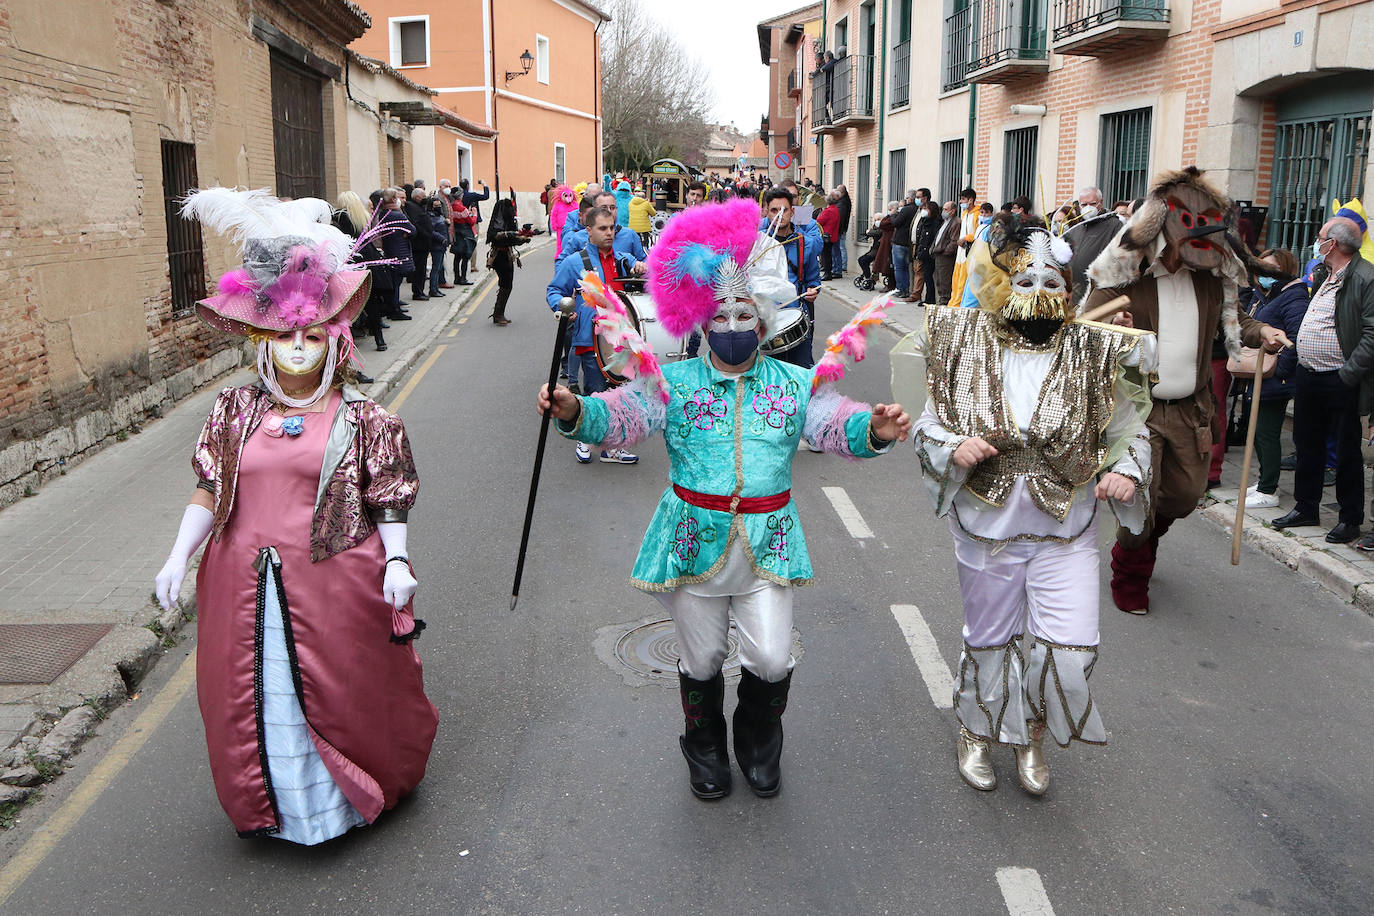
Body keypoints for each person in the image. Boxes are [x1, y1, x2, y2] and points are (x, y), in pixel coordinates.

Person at [538, 198, 911, 800]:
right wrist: (576, 410)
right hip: (692, 542)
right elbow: (626, 414)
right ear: (701, 321)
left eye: (746, 314)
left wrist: (874, 429)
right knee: (704, 657)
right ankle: (704, 744)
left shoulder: (793, 383)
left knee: (770, 659)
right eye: (722, 315)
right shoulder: (674, 383)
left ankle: (760, 741)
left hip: (769, 545)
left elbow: (828, 421)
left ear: (762, 322)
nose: (734, 325)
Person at [156, 188, 437, 843]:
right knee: (256, 697)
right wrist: (178, 555)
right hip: (239, 587)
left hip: (336, 583)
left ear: (334, 339)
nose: (300, 348)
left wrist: (396, 558)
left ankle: (343, 800)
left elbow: (387, 494)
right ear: (264, 343)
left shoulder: (366, 418)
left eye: (312, 335)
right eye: (285, 336)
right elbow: (209, 487)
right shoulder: (232, 412)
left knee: (341, 692)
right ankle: (271, 806)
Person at [914, 215, 1154, 796]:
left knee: (1069, 653)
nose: (1039, 295)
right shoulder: (962, 345)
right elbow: (928, 424)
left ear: (1068, 291)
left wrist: (1125, 469)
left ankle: (1033, 735)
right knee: (990, 640)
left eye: (1052, 284)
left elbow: (1133, 427)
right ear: (1001, 286)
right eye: (1025, 283)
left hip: (1065, 532)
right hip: (988, 529)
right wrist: (953, 446)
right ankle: (977, 731)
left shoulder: (1097, 352)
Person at [1084, 166, 1289, 614]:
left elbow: (1235, 323)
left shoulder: (1210, 280)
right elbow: (1082, 328)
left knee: (1182, 498)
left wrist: (1263, 332)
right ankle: (1130, 571)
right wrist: (1114, 330)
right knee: (1140, 500)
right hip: (1135, 412)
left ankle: (1142, 541)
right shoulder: (1127, 277)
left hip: (1191, 410)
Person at [1273, 217, 1374, 545]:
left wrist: (1348, 374)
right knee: (1307, 444)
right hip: (1309, 375)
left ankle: (1349, 519)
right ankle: (1306, 506)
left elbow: (1372, 333)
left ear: (1335, 244)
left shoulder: (1365, 277)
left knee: (1346, 451)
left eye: (1320, 237)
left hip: (1340, 378)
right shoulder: (1322, 273)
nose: (1316, 242)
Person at [545, 205, 643, 464]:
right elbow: (554, 290)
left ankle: (611, 447)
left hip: (622, 338)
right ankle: (584, 437)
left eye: (611, 227)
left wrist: (641, 268)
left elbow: (639, 268)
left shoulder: (623, 258)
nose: (609, 233)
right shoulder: (575, 261)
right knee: (595, 393)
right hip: (591, 339)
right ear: (588, 231)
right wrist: (563, 308)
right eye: (602, 228)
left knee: (619, 394)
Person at [1240, 248, 1307, 509]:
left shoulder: (1294, 298)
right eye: (1262, 268)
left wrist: (1278, 371)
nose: (1264, 274)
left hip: (1274, 377)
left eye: (1271, 269)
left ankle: (1269, 489)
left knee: (1267, 432)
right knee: (1256, 431)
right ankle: (1265, 480)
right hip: (1258, 373)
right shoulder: (1266, 295)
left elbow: (1296, 338)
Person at [761, 187, 823, 368]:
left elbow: (814, 281)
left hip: (796, 316)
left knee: (801, 370)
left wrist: (813, 291)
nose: (779, 215)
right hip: (766, 319)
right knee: (768, 375)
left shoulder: (806, 243)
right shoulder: (758, 244)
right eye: (774, 210)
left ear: (793, 212)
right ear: (767, 213)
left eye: (784, 210)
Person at [335, 191, 389, 354]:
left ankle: (349, 339)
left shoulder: (339, 217)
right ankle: (379, 339)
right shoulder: (364, 216)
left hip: (352, 261)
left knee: (349, 303)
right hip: (368, 259)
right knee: (371, 301)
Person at [1065, 186, 1125, 306]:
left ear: (1100, 203)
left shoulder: (1114, 225)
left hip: (1096, 291)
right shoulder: (1077, 228)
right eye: (1084, 204)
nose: (1088, 208)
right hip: (1073, 290)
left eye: (1092, 204)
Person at [486, 196, 531, 326]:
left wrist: (524, 238)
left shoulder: (508, 222)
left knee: (507, 284)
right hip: (499, 256)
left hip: (508, 255)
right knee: (506, 284)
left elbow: (513, 240)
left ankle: (498, 313)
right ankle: (498, 314)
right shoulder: (496, 224)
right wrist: (511, 234)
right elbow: (495, 236)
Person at [374, 188, 415, 317]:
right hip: (399, 251)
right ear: (393, 199)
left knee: (394, 282)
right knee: (396, 282)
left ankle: (394, 307)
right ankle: (395, 310)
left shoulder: (383, 214)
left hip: (390, 250)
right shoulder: (397, 214)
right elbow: (413, 231)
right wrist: (404, 234)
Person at [948, 188, 979, 305]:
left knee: (963, 280)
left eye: (963, 199)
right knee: (956, 279)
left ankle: (959, 304)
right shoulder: (964, 214)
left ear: (971, 200)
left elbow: (977, 232)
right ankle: (953, 302)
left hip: (969, 251)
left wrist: (966, 238)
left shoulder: (977, 214)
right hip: (960, 251)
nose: (961, 202)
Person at [403, 187, 433, 301]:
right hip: (419, 244)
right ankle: (417, 292)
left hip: (424, 244)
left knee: (422, 270)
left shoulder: (419, 207)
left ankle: (420, 291)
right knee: (419, 271)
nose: (425, 199)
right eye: (423, 197)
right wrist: (426, 234)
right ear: (417, 197)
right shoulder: (412, 207)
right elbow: (416, 225)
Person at [889, 190, 919, 298]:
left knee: (899, 268)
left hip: (900, 242)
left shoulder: (906, 209)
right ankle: (906, 289)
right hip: (910, 243)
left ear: (910, 198)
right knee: (906, 268)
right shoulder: (918, 210)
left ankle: (901, 289)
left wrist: (893, 215)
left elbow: (896, 223)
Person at [931, 201, 960, 305]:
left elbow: (954, 241)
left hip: (945, 256)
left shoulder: (956, 222)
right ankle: (942, 299)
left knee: (945, 279)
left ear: (953, 211)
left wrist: (946, 252)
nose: (943, 212)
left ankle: (945, 301)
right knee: (939, 278)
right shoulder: (945, 221)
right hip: (939, 254)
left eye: (946, 209)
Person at [460, 178, 491, 271]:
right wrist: (484, 184)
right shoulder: (472, 195)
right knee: (473, 243)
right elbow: (486, 196)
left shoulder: (457, 197)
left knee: (462, 243)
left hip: (461, 223)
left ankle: (460, 265)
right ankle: (473, 266)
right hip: (473, 222)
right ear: (468, 186)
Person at [914, 199, 941, 305]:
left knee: (929, 277)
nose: (923, 211)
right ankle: (928, 298)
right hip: (923, 253)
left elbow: (933, 239)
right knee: (926, 276)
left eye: (925, 209)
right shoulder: (925, 221)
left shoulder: (935, 222)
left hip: (929, 254)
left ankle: (930, 299)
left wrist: (928, 251)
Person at [425, 194, 451, 298]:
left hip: (442, 245)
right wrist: (442, 239)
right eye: (436, 205)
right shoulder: (430, 217)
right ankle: (433, 290)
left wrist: (447, 224)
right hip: (436, 245)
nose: (438, 207)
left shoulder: (440, 215)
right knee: (436, 268)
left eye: (439, 205)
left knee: (439, 267)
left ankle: (436, 289)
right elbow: (431, 231)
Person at [450, 194, 477, 286]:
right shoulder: (462, 208)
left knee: (457, 257)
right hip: (465, 234)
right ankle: (463, 279)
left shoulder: (451, 206)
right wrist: (475, 215)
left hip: (456, 233)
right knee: (465, 256)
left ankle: (456, 278)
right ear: (460, 196)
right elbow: (471, 222)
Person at [815, 194, 841, 281]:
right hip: (832, 235)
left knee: (826, 256)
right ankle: (828, 272)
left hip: (826, 235)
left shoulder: (828, 211)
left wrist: (820, 213)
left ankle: (827, 273)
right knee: (828, 255)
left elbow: (819, 221)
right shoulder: (835, 209)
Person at [833, 184, 852, 277]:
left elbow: (841, 217)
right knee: (840, 248)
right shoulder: (843, 201)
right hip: (841, 228)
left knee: (841, 248)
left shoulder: (843, 202)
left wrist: (839, 229)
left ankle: (843, 266)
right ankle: (841, 266)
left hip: (841, 228)